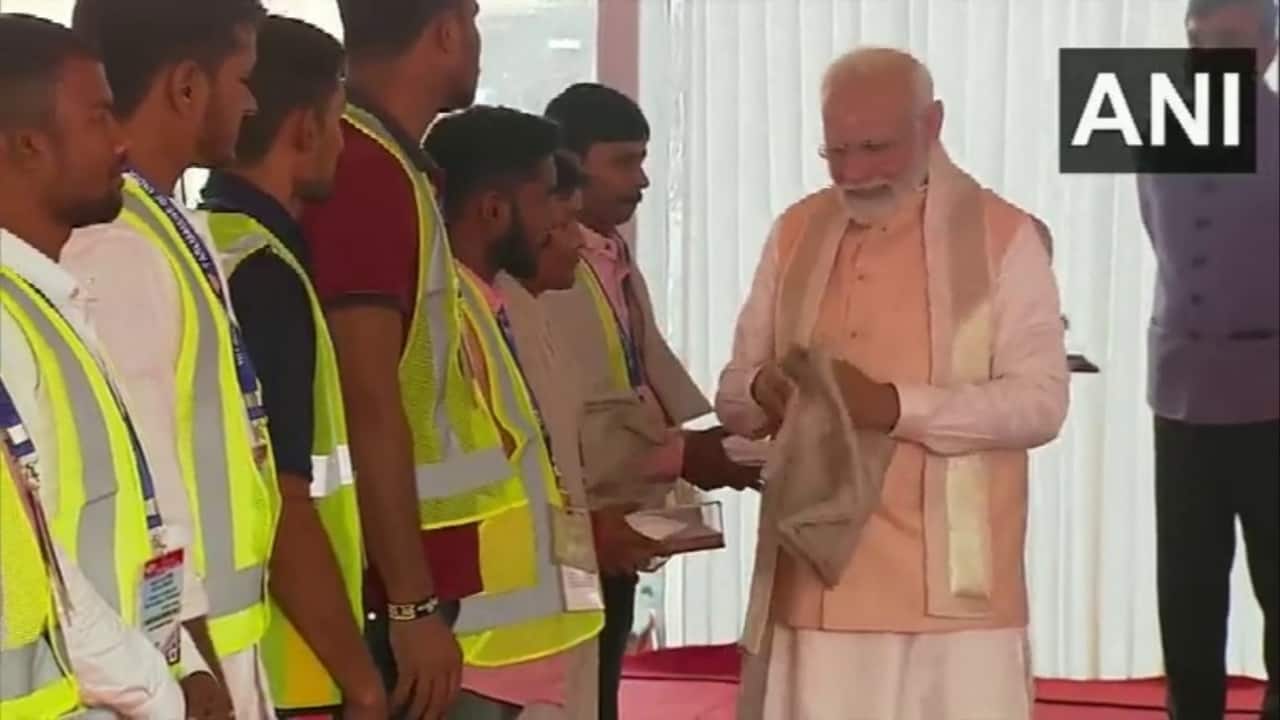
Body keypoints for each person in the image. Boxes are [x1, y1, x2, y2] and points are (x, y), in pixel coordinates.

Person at [718, 48, 1069, 720]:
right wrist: (765, 390)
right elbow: (733, 391)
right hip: (817, 573)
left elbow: (1041, 403)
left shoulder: (1004, 234)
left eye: (874, 147)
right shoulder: (797, 229)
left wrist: (893, 406)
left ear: (932, 124)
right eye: (836, 152)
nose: (853, 172)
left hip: (956, 586)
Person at [62, 1, 278, 717]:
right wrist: (189, 664)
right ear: (187, 86)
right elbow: (141, 493)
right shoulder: (113, 246)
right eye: (243, 77)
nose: (252, 101)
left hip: (211, 643)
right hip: (176, 660)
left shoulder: (160, 223)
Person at [542, 82, 761, 720]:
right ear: (570, 166)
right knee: (577, 689)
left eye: (643, 159)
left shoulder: (611, 254)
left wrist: (725, 436)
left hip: (621, 503)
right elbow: (576, 406)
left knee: (604, 676)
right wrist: (685, 452)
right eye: (623, 161)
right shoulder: (546, 266)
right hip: (578, 515)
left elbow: (645, 367)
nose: (641, 180)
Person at [0, 13, 191, 718]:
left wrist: (181, 660)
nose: (123, 141)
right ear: (27, 145)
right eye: (100, 116)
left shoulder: (45, 300)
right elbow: (49, 568)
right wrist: (157, 693)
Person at [300, 1, 488, 717]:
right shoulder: (361, 169)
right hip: (384, 594)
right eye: (472, 21)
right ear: (445, 31)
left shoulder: (389, 162)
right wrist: (411, 608)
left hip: (398, 582)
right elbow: (367, 393)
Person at [201, 16, 386, 719]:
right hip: (295, 666)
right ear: (305, 129)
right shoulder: (264, 272)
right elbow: (283, 500)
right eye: (339, 123)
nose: (342, 143)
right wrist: (360, 676)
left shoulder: (205, 243)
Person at [422, 104, 608, 720]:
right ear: (494, 210)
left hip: (511, 652)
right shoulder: (443, 315)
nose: (565, 219)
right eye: (550, 197)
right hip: (474, 651)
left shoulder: (485, 304)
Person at [1138, 1, 1279, 717]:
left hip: (1274, 399)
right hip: (1181, 393)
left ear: (1268, 50)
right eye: (1200, 40)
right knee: (1187, 592)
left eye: (1230, 40)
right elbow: (1162, 240)